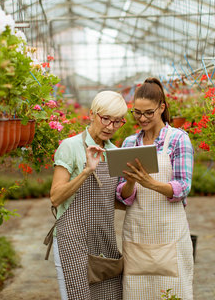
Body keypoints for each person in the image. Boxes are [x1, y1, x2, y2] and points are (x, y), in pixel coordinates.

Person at [116, 77, 194, 299]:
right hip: (137, 233)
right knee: (136, 292)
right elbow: (123, 196)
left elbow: (183, 187)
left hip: (170, 232)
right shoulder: (130, 143)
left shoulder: (178, 140)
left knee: (173, 292)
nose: (142, 118)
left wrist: (151, 184)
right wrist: (130, 181)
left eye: (148, 112)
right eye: (137, 113)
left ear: (162, 107)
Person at [48, 90, 128, 300]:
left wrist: (135, 179)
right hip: (72, 240)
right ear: (92, 114)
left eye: (117, 121)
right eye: (106, 119)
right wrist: (86, 171)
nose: (110, 127)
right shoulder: (70, 146)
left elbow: (116, 201)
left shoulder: (114, 153)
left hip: (103, 240)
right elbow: (55, 197)